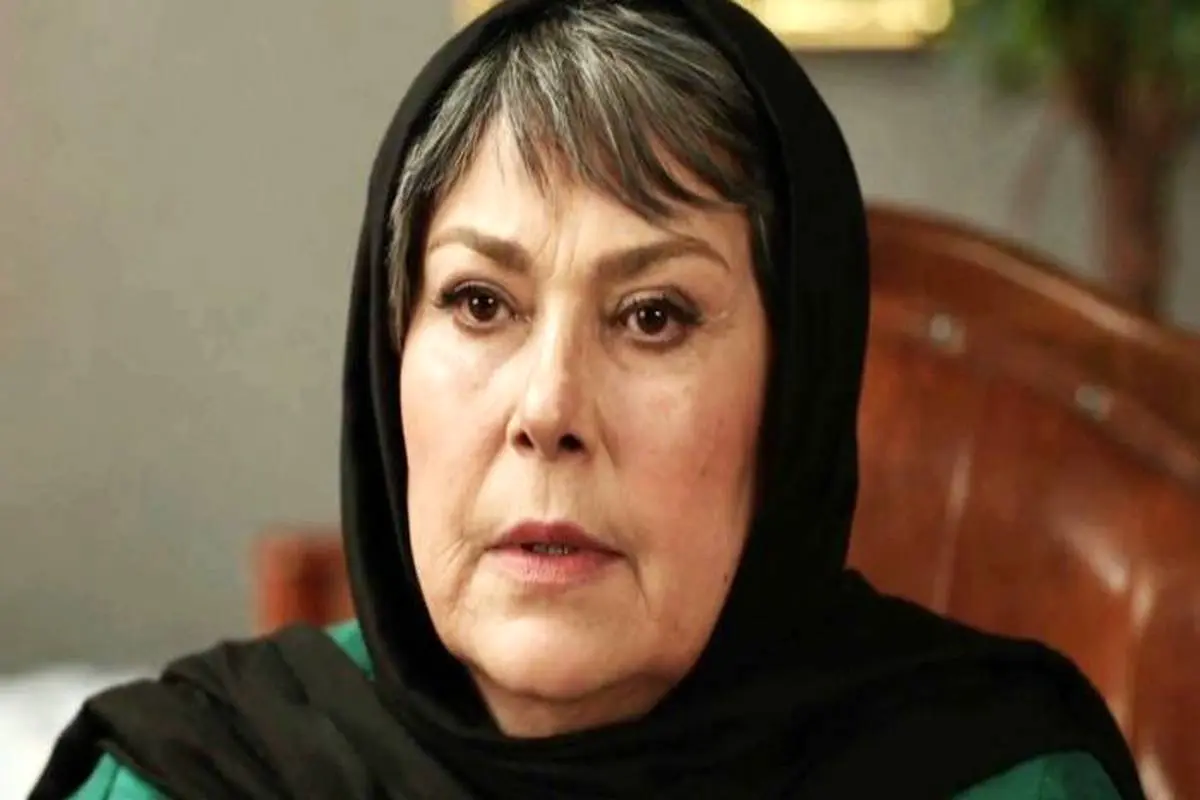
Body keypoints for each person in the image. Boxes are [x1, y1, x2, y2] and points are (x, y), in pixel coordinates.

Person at [32, 0, 1146, 797]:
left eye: (652, 316)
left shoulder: (998, 774)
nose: (548, 408)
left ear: (793, 399)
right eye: (479, 302)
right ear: (388, 356)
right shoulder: (194, 774)